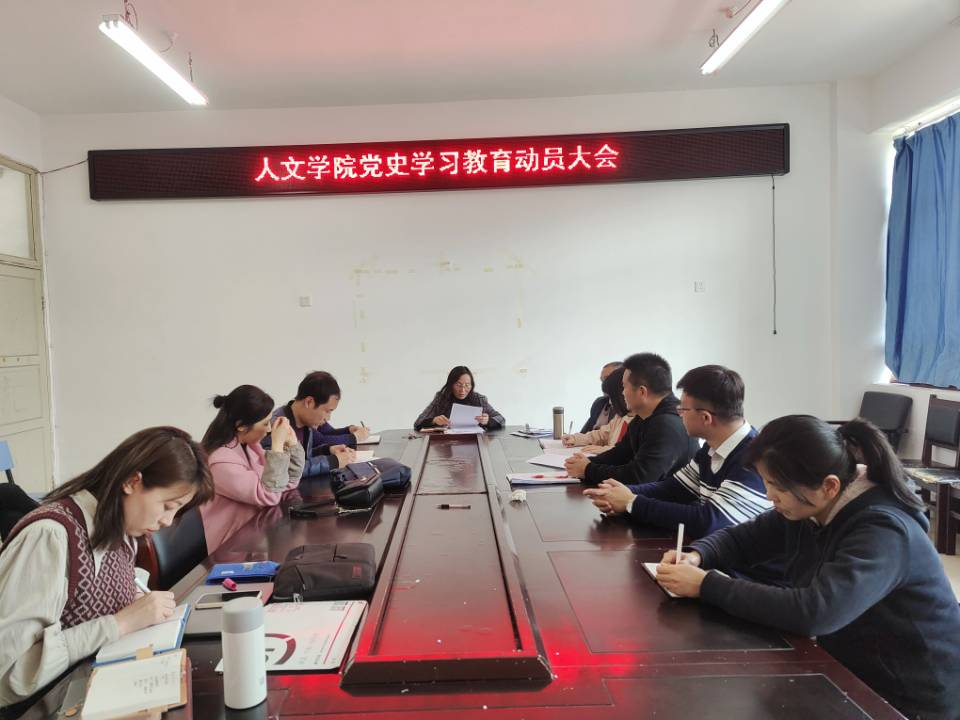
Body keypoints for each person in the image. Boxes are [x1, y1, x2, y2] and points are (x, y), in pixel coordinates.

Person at [654, 415, 960, 720]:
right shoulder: (808, 506)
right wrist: (698, 555)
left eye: (777, 486)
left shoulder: (884, 530)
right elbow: (743, 539)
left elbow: (815, 611)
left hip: (911, 697)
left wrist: (706, 584)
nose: (769, 496)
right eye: (766, 482)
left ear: (829, 486)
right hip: (853, 671)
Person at [0, 427, 213, 709]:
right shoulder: (50, 538)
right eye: (167, 506)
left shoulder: (123, 531)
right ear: (132, 482)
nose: (168, 521)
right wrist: (119, 624)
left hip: (94, 689)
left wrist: (135, 604)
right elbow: (7, 674)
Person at [583, 366, 773, 545]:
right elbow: (673, 488)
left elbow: (709, 521)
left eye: (683, 409)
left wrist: (631, 502)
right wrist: (621, 493)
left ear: (706, 418)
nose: (679, 414)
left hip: (747, 566)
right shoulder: (711, 448)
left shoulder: (753, 458)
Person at [199, 385, 305, 554]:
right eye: (265, 423)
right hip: (229, 550)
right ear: (241, 425)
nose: (269, 429)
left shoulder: (251, 448)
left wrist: (291, 444)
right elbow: (269, 495)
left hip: (253, 538)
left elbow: (286, 483)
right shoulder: (221, 461)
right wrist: (277, 446)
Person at [565, 353, 696, 486]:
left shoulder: (666, 424)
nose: (622, 393)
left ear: (642, 392)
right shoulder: (644, 416)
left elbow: (639, 476)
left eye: (624, 387)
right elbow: (620, 454)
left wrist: (588, 470)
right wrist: (587, 463)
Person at [263, 371, 355, 477]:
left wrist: (327, 450)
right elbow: (285, 470)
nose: (328, 418)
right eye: (327, 411)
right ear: (309, 402)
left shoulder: (305, 423)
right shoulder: (276, 427)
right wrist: (332, 461)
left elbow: (302, 457)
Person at [562, 366, 634, 453]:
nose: (610, 402)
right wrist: (575, 438)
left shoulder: (644, 421)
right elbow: (601, 435)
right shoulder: (620, 417)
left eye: (613, 397)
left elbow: (637, 452)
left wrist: (608, 450)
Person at [414, 366, 504, 431]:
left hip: (474, 441)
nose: (462, 390)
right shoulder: (441, 398)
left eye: (467, 385)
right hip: (447, 444)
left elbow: (501, 419)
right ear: (451, 384)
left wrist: (488, 421)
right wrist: (434, 420)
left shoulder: (479, 400)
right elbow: (418, 423)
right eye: (458, 385)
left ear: (472, 385)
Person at [580, 361, 623, 433]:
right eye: (602, 380)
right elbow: (584, 432)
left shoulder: (630, 408)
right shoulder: (599, 403)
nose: (603, 384)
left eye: (607, 379)